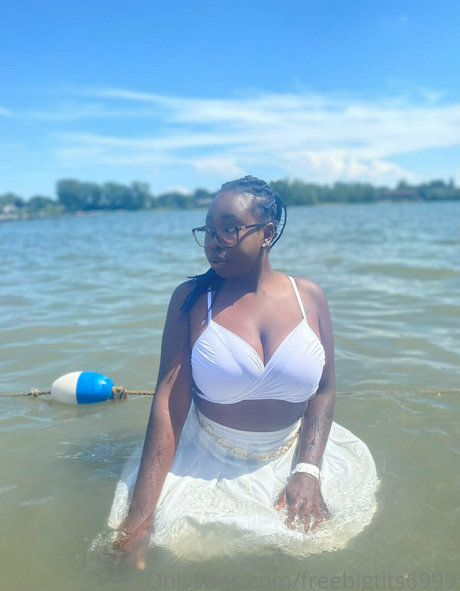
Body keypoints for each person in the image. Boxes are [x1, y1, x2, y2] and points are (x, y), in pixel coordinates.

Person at [109, 176, 378, 567]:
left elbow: (323, 392)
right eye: (208, 230)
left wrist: (307, 471)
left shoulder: (310, 297)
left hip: (294, 453)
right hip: (205, 462)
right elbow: (168, 405)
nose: (214, 241)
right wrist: (139, 516)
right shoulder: (191, 301)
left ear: (266, 233)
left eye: (229, 229)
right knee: (192, 557)